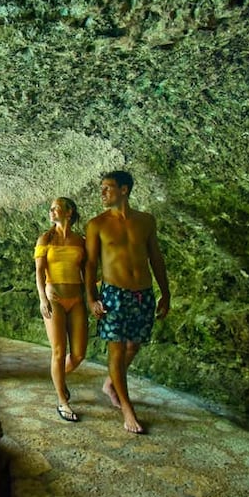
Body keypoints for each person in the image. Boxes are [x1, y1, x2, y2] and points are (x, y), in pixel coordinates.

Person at [85, 171, 170, 434]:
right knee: (117, 350)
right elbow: (89, 264)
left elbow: (155, 257)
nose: (102, 193)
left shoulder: (146, 221)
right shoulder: (96, 224)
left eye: (108, 188)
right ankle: (127, 407)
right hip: (113, 295)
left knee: (134, 345)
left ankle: (111, 383)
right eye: (101, 188)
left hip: (142, 294)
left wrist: (165, 293)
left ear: (124, 190)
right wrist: (91, 298)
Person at [34, 197, 88, 422]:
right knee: (58, 351)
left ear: (69, 212)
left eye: (55, 208)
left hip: (76, 299)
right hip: (53, 298)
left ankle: (58, 380)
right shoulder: (46, 238)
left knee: (78, 354)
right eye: (50, 209)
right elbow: (39, 271)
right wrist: (42, 299)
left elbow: (88, 272)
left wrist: (93, 296)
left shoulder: (81, 241)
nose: (51, 212)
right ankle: (62, 401)